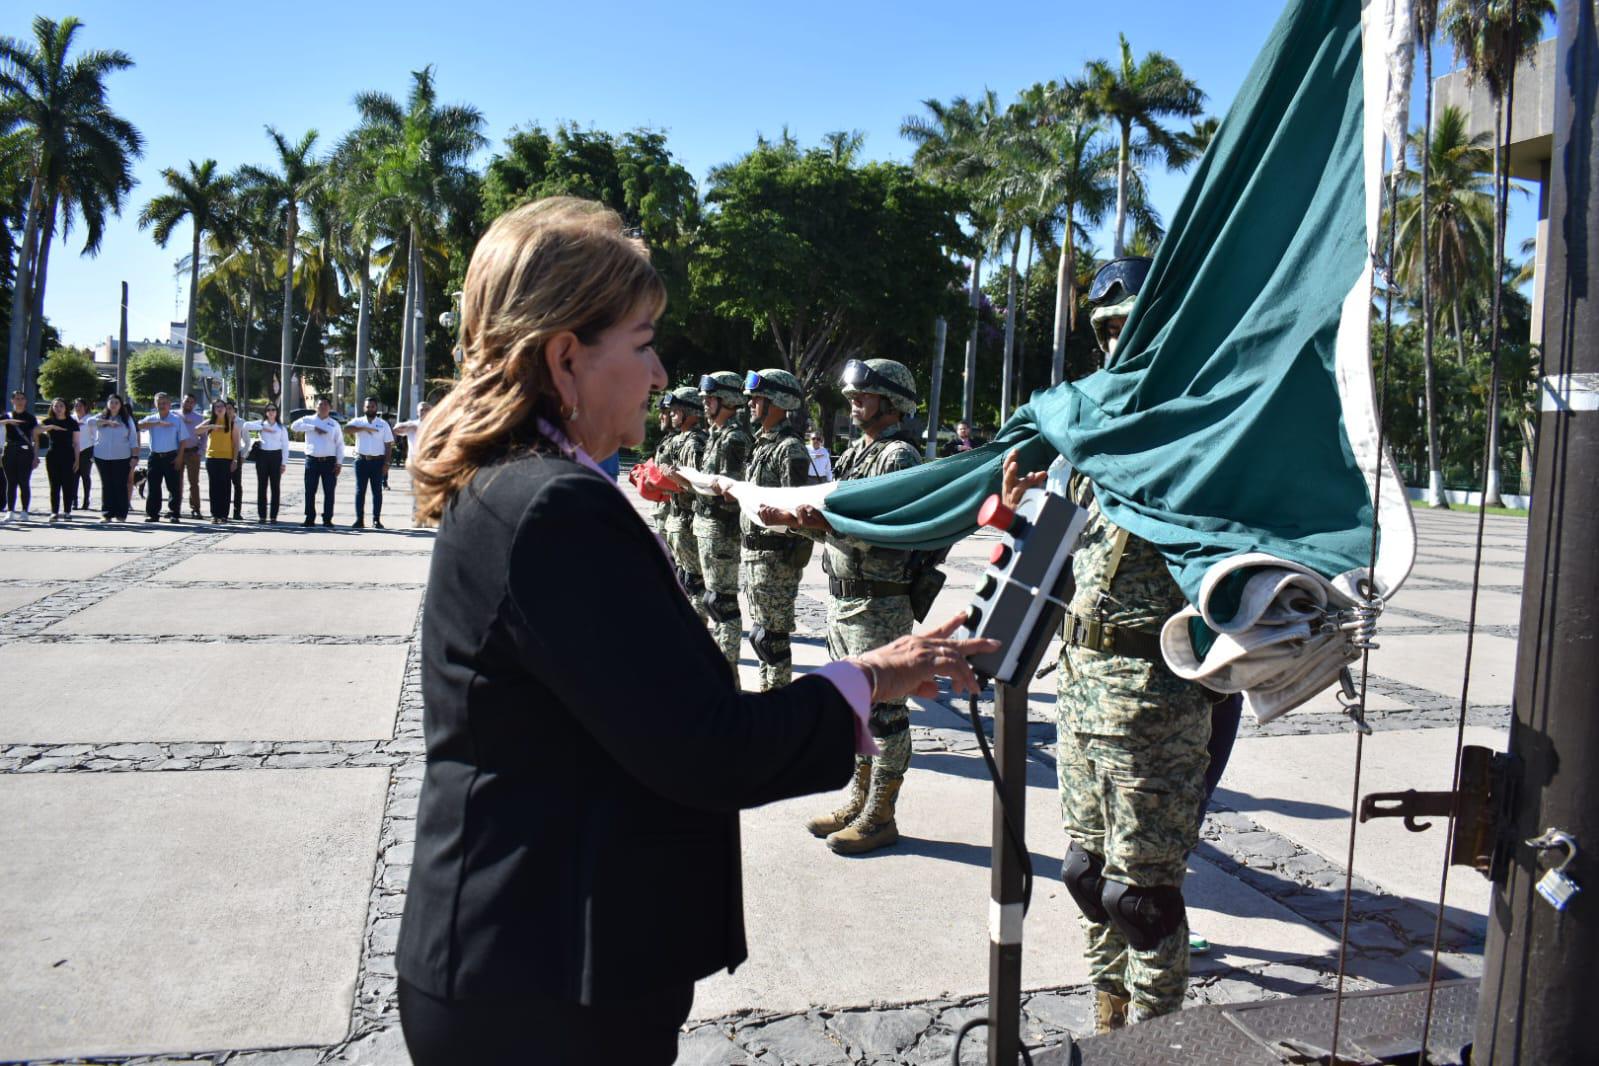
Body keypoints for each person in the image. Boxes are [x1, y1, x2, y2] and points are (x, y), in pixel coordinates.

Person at [394, 197, 994, 1066]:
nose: (658, 370)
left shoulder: (518, 487)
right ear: (566, 356)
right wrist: (873, 676)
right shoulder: (553, 506)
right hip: (545, 986)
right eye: (640, 343)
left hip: (533, 953)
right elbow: (708, 747)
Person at [1026, 254, 1213, 1033]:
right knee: (1083, 874)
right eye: (1102, 330)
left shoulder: (1196, 439)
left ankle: (1158, 1036)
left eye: (1127, 327)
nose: (1112, 343)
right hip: (1079, 686)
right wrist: (1014, 515)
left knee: (1142, 898)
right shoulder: (1082, 443)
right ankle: (1109, 1023)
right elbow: (1050, 562)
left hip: (1153, 700)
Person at [761, 359, 928, 856]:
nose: (854, 403)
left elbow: (893, 536)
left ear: (891, 402)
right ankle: (858, 797)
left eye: (864, 396)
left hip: (879, 602)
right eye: (853, 395)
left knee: (886, 713)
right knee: (855, 705)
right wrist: (795, 520)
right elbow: (833, 513)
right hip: (845, 597)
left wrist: (823, 526)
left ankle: (882, 813)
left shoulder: (899, 457)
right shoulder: (860, 451)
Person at [738, 369, 815, 692]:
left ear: (778, 403)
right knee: (760, 636)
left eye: (759, 398)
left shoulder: (790, 448)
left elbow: (798, 509)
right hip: (756, 555)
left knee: (773, 640)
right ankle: (767, 698)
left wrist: (779, 516)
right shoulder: (762, 444)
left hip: (776, 558)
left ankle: (779, 704)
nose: (752, 404)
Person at [683, 371, 750, 675]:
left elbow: (733, 489)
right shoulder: (717, 435)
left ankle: (728, 674)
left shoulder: (734, 438)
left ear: (728, 400)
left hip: (722, 531)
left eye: (710, 398)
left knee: (722, 604)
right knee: (711, 599)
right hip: (705, 528)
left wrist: (705, 485)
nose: (705, 403)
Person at [658, 387, 707, 616]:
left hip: (689, 519)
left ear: (690, 412)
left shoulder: (695, 443)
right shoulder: (681, 440)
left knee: (694, 581)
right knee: (682, 577)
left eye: (677, 411)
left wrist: (674, 478)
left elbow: (700, 486)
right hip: (677, 518)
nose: (672, 415)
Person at [136, 392, 187, 524]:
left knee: (173, 487)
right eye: (159, 403)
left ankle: (174, 513)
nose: (162, 405)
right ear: (155, 404)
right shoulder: (152, 419)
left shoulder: (176, 420)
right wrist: (156, 423)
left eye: (164, 403)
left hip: (171, 456)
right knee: (153, 487)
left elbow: (183, 441)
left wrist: (180, 457)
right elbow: (139, 425)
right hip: (155, 457)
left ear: (169, 404)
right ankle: (153, 514)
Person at [291, 399, 344, 527]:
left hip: (329, 462)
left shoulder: (334, 424)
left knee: (329, 491)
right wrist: (313, 427)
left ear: (330, 407)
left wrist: (339, 463)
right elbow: (294, 426)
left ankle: (327, 518)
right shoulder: (308, 419)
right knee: (310, 490)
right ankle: (309, 517)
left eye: (326, 404)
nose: (323, 406)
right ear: (316, 407)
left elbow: (340, 445)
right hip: (312, 460)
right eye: (320, 404)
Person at [346, 396, 395, 529]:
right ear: (364, 408)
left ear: (376, 408)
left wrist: (387, 464)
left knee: (377, 492)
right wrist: (363, 428)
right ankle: (359, 520)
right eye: (367, 406)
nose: (370, 409)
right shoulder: (358, 421)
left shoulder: (383, 424)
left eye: (372, 406)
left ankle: (376, 520)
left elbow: (388, 445)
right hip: (361, 461)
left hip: (377, 462)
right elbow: (347, 429)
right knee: (360, 491)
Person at [194, 399, 243, 523]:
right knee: (214, 487)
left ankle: (224, 515)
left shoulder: (232, 424)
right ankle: (214, 514)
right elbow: (196, 430)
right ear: (213, 409)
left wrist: (235, 460)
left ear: (226, 408)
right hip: (212, 458)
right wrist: (211, 426)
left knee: (225, 487)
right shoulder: (210, 421)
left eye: (222, 406)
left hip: (227, 459)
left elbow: (236, 444)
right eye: (216, 407)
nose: (219, 409)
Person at [91, 394, 138, 522]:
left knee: (120, 484)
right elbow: (89, 423)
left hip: (122, 456)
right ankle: (107, 513)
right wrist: (107, 422)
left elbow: (133, 439)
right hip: (102, 456)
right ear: (107, 404)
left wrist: (135, 456)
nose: (113, 405)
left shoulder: (126, 419)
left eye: (116, 402)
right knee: (107, 484)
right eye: (111, 402)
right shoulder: (101, 417)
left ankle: (121, 514)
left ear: (120, 405)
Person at [242, 404, 289, 523]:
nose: (271, 412)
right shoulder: (261, 424)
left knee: (275, 487)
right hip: (263, 456)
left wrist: (283, 463)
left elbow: (285, 446)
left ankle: (273, 516)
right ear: (265, 412)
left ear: (277, 412)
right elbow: (246, 425)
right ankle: (262, 515)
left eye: (273, 410)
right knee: (262, 486)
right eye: (268, 410)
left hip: (276, 456)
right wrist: (261, 428)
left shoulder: (281, 427)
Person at [2, 390, 41, 519]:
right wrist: (7, 422)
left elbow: (35, 439)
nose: (19, 401)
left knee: (24, 481)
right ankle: (10, 511)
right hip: (9, 451)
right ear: (12, 400)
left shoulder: (30, 418)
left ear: (25, 401)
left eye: (22, 398)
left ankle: (24, 511)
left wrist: (35, 457)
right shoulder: (6, 416)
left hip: (25, 451)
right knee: (11, 482)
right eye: (17, 398)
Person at [40, 398, 79, 520]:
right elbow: (35, 431)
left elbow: (76, 443)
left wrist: (77, 460)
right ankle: (54, 512)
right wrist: (50, 427)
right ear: (52, 407)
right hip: (53, 455)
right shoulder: (48, 421)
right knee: (54, 484)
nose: (58, 408)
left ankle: (67, 511)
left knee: (68, 484)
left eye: (61, 406)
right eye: (56, 406)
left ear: (66, 408)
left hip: (68, 455)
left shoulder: (72, 422)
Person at [647, 403, 675, 534]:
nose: (660, 417)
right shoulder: (668, 439)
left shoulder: (681, 442)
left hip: (672, 512)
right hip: (662, 509)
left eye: (664, 412)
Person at [177, 393, 205, 518]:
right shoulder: (174, 415)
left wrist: (199, 452)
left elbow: (204, 437)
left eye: (191, 402)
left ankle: (195, 509)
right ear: (182, 400)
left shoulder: (199, 418)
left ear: (194, 404)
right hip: (177, 452)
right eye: (187, 401)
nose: (188, 404)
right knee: (176, 481)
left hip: (192, 452)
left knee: (193, 482)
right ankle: (175, 508)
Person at [73, 398, 96, 511]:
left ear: (85, 407)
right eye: (76, 405)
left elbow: (95, 436)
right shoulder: (72, 418)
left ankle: (86, 500)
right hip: (74, 451)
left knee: (85, 476)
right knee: (74, 476)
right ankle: (74, 501)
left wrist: (94, 453)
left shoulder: (90, 420)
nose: (78, 408)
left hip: (87, 450)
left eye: (80, 406)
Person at [225, 401, 246, 519]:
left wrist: (243, 455)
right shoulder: (221, 422)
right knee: (225, 484)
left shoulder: (241, 422)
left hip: (236, 455)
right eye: (226, 408)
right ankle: (225, 512)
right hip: (223, 455)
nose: (228, 411)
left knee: (237, 484)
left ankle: (237, 512)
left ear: (234, 410)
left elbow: (247, 441)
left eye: (230, 408)